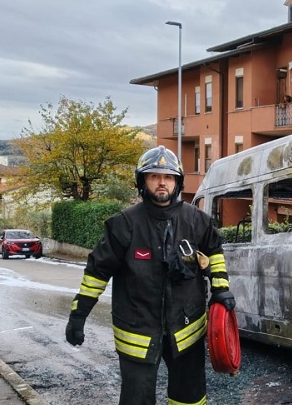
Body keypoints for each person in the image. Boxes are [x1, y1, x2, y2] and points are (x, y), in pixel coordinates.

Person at [65, 145, 235, 405]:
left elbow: (215, 252)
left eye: (168, 177)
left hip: (186, 330)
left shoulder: (198, 221)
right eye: (154, 176)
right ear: (142, 181)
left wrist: (221, 288)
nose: (162, 183)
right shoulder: (123, 225)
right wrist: (78, 315)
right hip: (137, 333)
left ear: (177, 182)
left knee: (190, 398)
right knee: (137, 400)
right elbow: (97, 272)